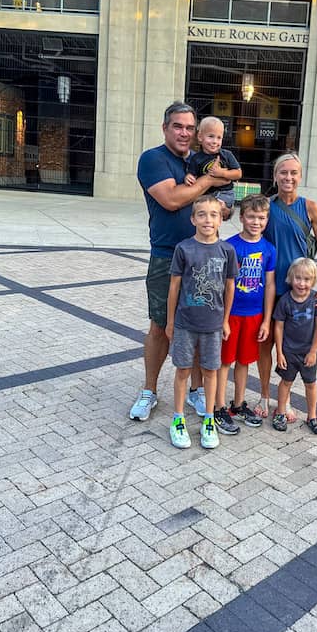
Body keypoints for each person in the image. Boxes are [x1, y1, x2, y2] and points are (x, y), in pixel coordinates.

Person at [131, 101, 230, 421]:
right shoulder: (153, 159)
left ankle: (197, 390)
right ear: (165, 128)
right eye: (178, 126)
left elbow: (223, 207)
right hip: (167, 255)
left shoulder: (201, 160)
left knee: (202, 325)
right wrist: (209, 182)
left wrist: (215, 196)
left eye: (190, 127)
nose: (184, 133)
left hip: (204, 255)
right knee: (160, 326)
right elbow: (172, 199)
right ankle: (149, 391)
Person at [256, 152, 317, 421]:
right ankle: (265, 396)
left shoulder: (310, 207)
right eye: (283, 172)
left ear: (300, 176)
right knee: (266, 345)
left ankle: (284, 402)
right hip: (271, 287)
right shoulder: (266, 206)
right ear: (275, 176)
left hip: (300, 288)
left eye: (293, 173)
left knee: (293, 346)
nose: (288, 177)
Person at [165, 195, 237, 449]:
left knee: (210, 371)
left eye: (213, 215)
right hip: (185, 323)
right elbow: (174, 287)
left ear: (221, 219)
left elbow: (230, 288)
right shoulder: (184, 249)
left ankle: (208, 418)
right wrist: (170, 321)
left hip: (213, 325)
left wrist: (226, 320)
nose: (208, 219)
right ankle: (178, 418)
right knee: (183, 370)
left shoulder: (227, 251)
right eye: (202, 214)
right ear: (193, 218)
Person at [214, 194, 276, 435]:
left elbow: (269, 285)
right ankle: (218, 406)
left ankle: (237, 404)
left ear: (267, 220)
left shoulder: (268, 249)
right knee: (224, 361)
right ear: (241, 217)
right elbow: (221, 284)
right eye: (251, 217)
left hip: (255, 315)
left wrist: (267, 320)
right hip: (231, 315)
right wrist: (222, 318)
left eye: (261, 218)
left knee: (244, 361)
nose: (256, 222)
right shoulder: (230, 246)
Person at [272, 258, 317, 435]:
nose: (302, 283)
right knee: (286, 382)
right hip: (288, 352)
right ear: (290, 278)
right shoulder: (285, 301)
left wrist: (313, 351)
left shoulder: (316, 299)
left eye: (307, 279)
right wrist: (279, 352)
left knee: (310, 384)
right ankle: (280, 413)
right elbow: (278, 327)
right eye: (298, 278)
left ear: (313, 280)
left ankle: (312, 416)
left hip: (307, 353)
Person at [185, 116, 242, 220]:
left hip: (225, 193)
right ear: (200, 137)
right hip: (206, 194)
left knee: (213, 211)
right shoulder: (196, 158)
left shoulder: (226, 155)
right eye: (211, 136)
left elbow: (238, 173)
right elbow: (192, 174)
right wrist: (188, 177)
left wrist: (222, 173)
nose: (215, 141)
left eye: (219, 137)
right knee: (203, 212)